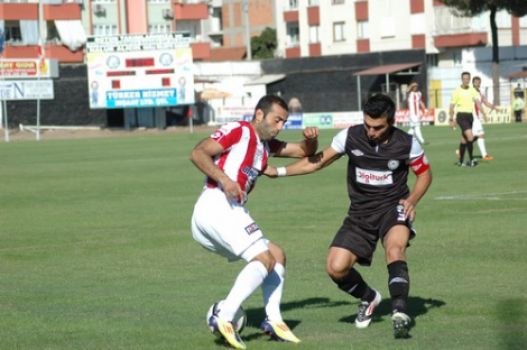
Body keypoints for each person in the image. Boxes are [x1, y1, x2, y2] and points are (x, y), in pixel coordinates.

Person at [265, 94, 433, 339]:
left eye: (378, 127)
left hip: (392, 207)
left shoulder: (407, 143)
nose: (371, 131)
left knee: (395, 249)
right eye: (367, 125)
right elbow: (317, 162)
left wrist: (412, 200)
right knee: (336, 268)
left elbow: (425, 174)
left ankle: (399, 312)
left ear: (392, 121)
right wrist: (278, 172)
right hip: (360, 213)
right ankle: (369, 297)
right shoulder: (350, 136)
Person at [190, 95, 319, 349]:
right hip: (216, 204)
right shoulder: (240, 130)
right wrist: (226, 180)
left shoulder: (266, 145)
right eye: (277, 120)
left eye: (284, 121)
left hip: (224, 212)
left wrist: (311, 139)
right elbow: (198, 153)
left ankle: (273, 320)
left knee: (277, 255)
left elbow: (304, 151)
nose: (280, 126)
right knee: (264, 259)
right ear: (259, 114)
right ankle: (225, 316)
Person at [449, 71, 485, 167]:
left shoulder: (472, 90)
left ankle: (461, 161)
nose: (466, 80)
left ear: (469, 79)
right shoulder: (457, 91)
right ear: (462, 79)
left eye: (467, 79)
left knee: (464, 140)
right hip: (461, 116)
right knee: (470, 137)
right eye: (464, 79)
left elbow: (477, 102)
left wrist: (483, 112)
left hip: (470, 116)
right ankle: (472, 160)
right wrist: (451, 119)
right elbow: (452, 106)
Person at [471, 76, 495, 161]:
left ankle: (460, 149)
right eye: (476, 82)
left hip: (476, 117)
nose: (478, 83)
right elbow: (478, 104)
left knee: (474, 136)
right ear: (473, 83)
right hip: (473, 116)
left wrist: (493, 107)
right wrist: (484, 114)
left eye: (479, 82)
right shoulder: (472, 92)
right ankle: (485, 155)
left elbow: (484, 101)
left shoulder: (480, 92)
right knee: (481, 135)